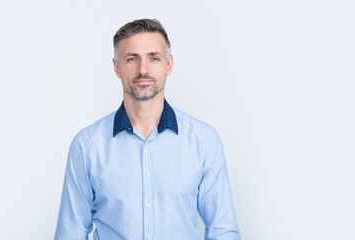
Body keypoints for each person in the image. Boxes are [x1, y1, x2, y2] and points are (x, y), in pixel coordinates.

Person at [54, 18, 241, 240]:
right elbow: (70, 233)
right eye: (132, 59)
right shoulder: (86, 146)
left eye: (154, 58)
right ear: (117, 67)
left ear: (168, 65)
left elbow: (224, 231)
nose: (143, 70)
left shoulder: (204, 141)